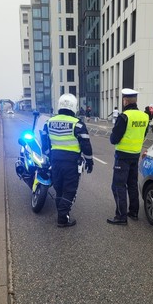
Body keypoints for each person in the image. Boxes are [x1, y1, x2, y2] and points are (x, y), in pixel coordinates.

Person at [41, 93, 94, 227]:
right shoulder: (78, 125)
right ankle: (62, 219)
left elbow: (44, 142)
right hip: (71, 163)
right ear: (73, 107)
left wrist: (49, 156)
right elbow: (86, 145)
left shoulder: (49, 122)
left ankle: (61, 212)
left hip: (55, 162)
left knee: (59, 188)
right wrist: (89, 161)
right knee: (69, 190)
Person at [107, 88, 149, 225]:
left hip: (122, 156)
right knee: (132, 184)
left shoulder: (124, 117)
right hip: (135, 155)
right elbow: (144, 134)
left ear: (125, 101)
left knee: (118, 185)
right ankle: (134, 212)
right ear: (135, 101)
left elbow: (114, 139)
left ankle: (121, 216)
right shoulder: (145, 116)